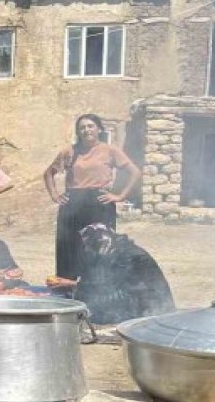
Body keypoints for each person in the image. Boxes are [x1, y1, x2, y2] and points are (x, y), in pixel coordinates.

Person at [43, 114, 142, 281]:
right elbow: (48, 174)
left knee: (101, 247)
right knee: (69, 248)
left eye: (90, 126)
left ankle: (99, 290)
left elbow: (135, 172)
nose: (86, 130)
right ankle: (67, 291)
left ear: (99, 129)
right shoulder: (69, 151)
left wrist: (120, 196)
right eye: (82, 127)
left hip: (99, 203)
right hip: (72, 204)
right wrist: (54, 195)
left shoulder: (110, 150)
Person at [73, 223, 175, 325]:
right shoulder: (114, 251)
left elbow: (122, 294)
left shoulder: (132, 257)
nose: (87, 249)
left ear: (102, 242)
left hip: (152, 312)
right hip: (132, 304)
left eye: (89, 245)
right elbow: (105, 285)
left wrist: (89, 304)